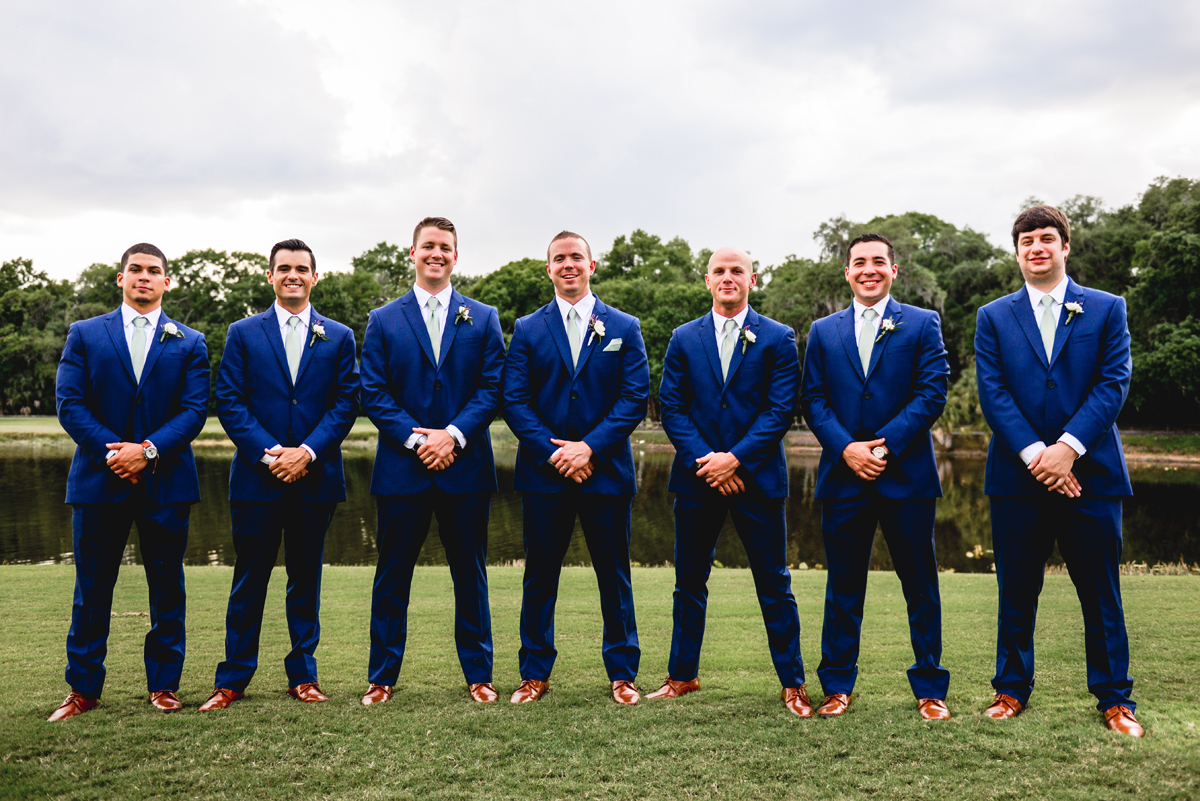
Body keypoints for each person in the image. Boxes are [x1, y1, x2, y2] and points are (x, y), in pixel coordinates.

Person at [975, 205, 1142, 736]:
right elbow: (993, 392)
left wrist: (1067, 449)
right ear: (1017, 251)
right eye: (1027, 241)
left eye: (1047, 238)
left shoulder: (1107, 308)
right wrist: (1035, 456)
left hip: (1090, 477)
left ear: (1065, 246)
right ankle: (1010, 691)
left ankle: (1115, 700)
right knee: (1016, 593)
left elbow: (1113, 383)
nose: (1037, 248)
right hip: (1017, 478)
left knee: (1101, 593)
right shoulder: (993, 316)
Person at [198, 239, 359, 712]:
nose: (293, 275)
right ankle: (232, 680)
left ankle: (303, 676)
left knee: (305, 580)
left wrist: (306, 452)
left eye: (301, 268)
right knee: (249, 581)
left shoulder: (340, 336)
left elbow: (346, 402)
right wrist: (272, 456)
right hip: (256, 479)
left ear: (315, 276)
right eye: (283, 268)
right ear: (270, 276)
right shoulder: (244, 332)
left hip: (316, 478)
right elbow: (228, 399)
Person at [50, 243, 209, 720]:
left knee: (167, 588)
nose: (144, 277)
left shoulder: (190, 341)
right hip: (100, 481)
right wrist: (117, 452)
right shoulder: (85, 334)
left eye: (153, 271)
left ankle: (164, 686)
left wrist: (149, 451)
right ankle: (83, 690)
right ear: (120, 278)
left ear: (167, 281)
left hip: (166, 483)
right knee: (92, 589)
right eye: (135, 270)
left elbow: (195, 410)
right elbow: (70, 404)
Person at [651, 247, 811, 716]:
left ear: (752, 280)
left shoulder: (779, 338)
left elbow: (780, 409)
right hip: (697, 479)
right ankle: (682, 676)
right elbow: (672, 407)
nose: (727, 277)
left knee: (775, 584)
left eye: (736, 271)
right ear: (706, 281)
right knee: (688, 583)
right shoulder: (683, 338)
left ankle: (793, 683)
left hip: (757, 481)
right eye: (719, 271)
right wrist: (708, 461)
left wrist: (736, 460)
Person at [800, 232, 952, 720]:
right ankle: (837, 686)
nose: (869, 269)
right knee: (843, 587)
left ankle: (930, 689)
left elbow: (932, 393)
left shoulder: (922, 322)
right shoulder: (824, 331)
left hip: (906, 477)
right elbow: (813, 400)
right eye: (859, 262)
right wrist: (847, 448)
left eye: (878, 261)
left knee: (920, 585)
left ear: (893, 271)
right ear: (847, 272)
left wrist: (880, 447)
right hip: (844, 477)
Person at [358, 217, 505, 705]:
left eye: (445, 247)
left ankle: (479, 676)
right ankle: (382, 678)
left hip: (465, 470)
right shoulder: (383, 319)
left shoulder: (483, 317)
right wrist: (418, 441)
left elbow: (492, 388)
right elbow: (373, 393)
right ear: (414, 253)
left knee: (471, 576)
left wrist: (454, 436)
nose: (436, 254)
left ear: (456, 256)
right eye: (428, 246)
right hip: (403, 470)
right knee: (392, 576)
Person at [502, 230, 649, 705]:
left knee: (615, 577)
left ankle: (623, 674)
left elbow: (633, 400)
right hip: (545, 475)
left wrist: (589, 448)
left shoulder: (624, 326)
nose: (568, 265)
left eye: (576, 257)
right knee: (540, 577)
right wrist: (556, 452)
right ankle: (534, 673)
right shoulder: (527, 328)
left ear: (592, 265)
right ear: (549, 268)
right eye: (559, 259)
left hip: (605, 473)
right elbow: (515, 401)